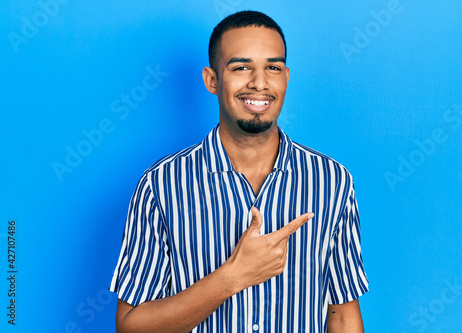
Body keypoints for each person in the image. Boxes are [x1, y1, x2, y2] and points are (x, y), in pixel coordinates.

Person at [109, 10, 369, 332]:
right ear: (212, 80)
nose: (259, 83)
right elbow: (131, 327)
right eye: (241, 67)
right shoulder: (161, 186)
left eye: (272, 68)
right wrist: (232, 277)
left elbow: (342, 317)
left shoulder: (332, 182)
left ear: (285, 78)